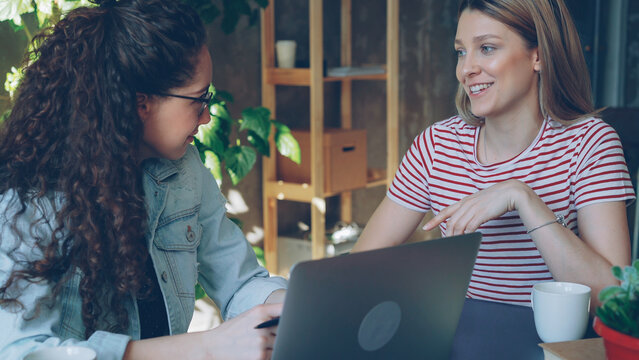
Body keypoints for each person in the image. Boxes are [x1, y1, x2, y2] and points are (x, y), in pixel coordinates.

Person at [0, 1, 285, 359]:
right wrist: (210, 346)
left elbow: (241, 282)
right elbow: (22, 353)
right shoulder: (29, 200)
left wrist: (288, 306)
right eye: (199, 100)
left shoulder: (185, 170)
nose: (208, 116)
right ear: (140, 103)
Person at [352, 0, 635, 309]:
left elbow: (614, 301)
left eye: (486, 48)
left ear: (537, 55)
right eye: (461, 51)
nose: (466, 69)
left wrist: (523, 198)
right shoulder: (436, 145)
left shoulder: (590, 144)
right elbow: (360, 265)